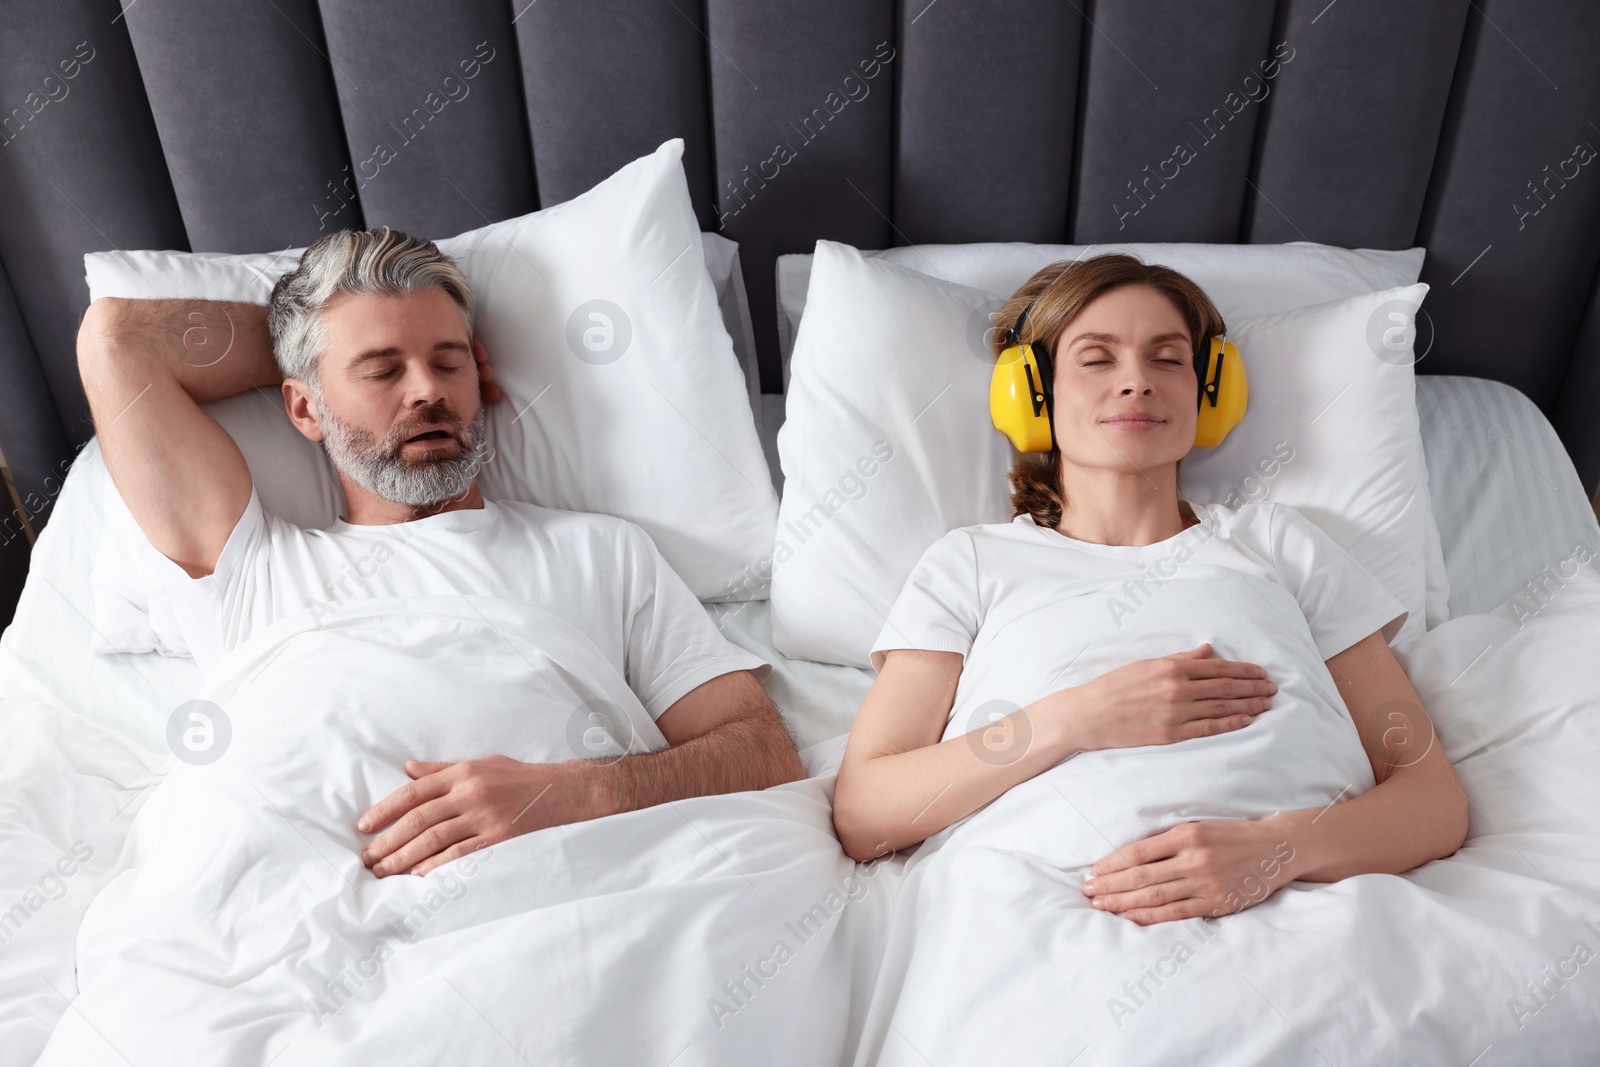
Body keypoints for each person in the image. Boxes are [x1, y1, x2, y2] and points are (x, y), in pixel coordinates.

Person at [76, 226, 805, 878]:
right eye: (383, 369)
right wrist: (316, 353)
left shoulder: (599, 551)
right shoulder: (249, 565)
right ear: (301, 408)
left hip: (567, 889)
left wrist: (577, 792)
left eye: (448, 362)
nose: (428, 390)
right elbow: (117, 339)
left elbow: (761, 750)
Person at [831, 253, 1468, 925]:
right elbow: (867, 812)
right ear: (1032, 392)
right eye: (1097, 359)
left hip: (1309, 910)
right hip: (1043, 918)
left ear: (1209, 395)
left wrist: (1278, 849)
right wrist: (1075, 717)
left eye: (1167, 359)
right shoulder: (971, 562)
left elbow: (1432, 799)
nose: (1136, 382)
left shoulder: (1280, 544)